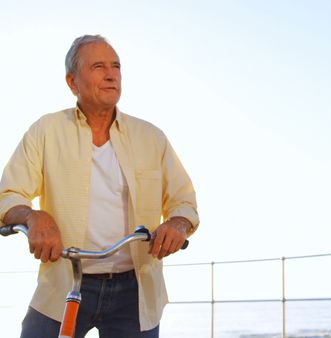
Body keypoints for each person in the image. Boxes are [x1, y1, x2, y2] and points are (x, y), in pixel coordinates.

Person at [0, 35, 199, 337]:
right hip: (65, 280)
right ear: (72, 81)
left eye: (116, 66)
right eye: (98, 66)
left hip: (136, 288)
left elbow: (184, 201)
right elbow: (9, 194)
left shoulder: (151, 137)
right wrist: (32, 217)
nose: (111, 74)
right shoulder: (46, 130)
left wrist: (179, 224)